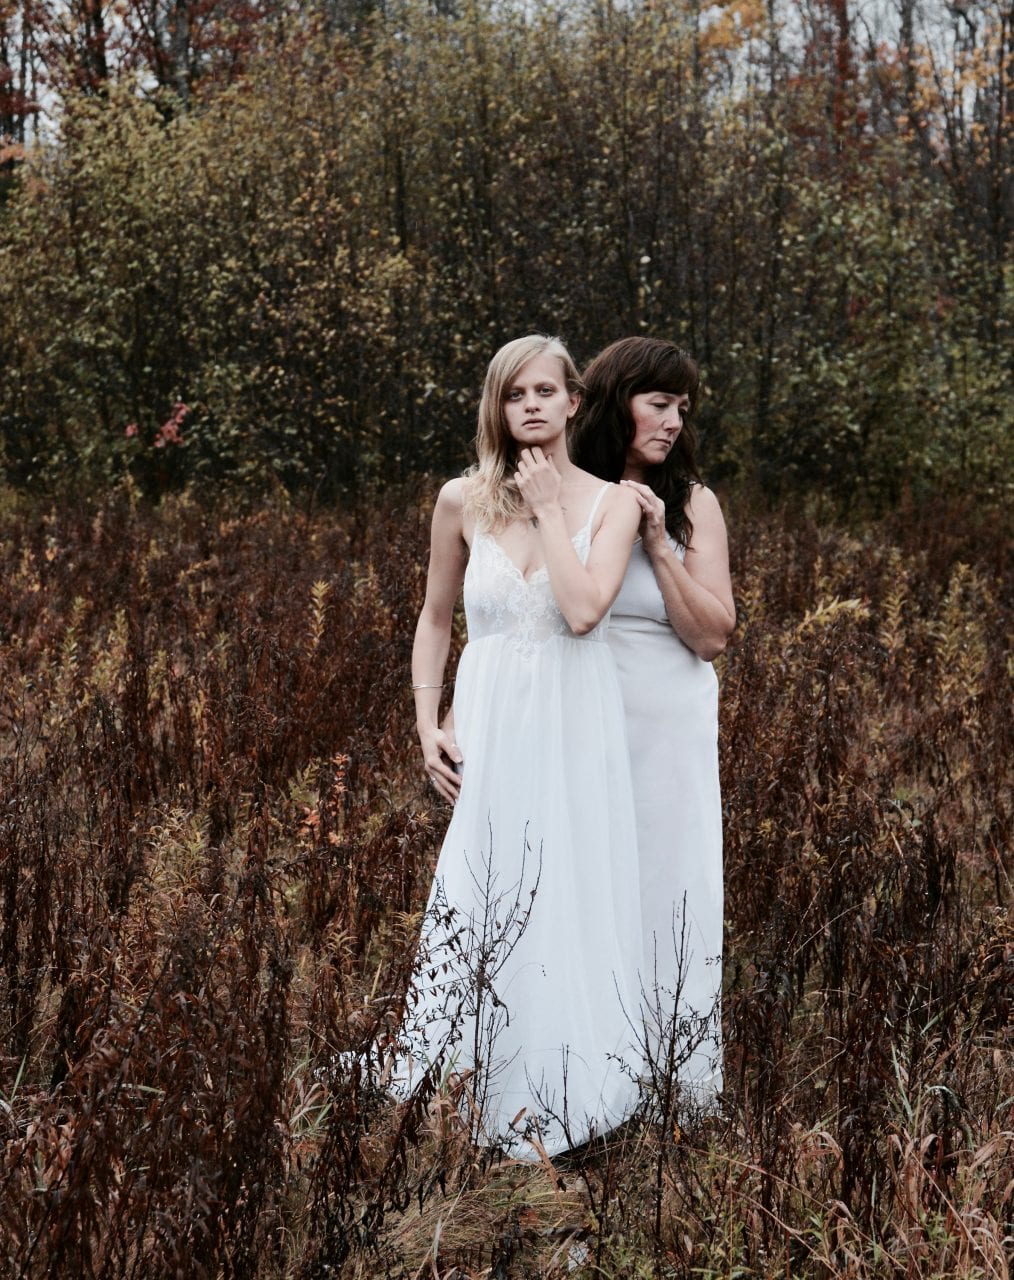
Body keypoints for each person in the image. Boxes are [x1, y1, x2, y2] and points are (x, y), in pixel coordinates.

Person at [405, 334, 644, 1156]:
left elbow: (583, 612)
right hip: (492, 722)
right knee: (486, 879)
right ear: (497, 407)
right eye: (515, 394)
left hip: (574, 723)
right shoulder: (461, 500)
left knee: (565, 878)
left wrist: (548, 507)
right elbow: (436, 617)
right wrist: (427, 724)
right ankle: (472, 1071)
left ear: (574, 402)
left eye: (545, 391)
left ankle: (569, 1076)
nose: (531, 405)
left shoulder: (614, 504)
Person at [571, 336, 735, 1103]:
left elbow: (711, 636)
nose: (673, 421)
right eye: (658, 403)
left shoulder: (693, 503)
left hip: (668, 724)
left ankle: (672, 1075)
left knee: (670, 886)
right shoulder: (569, 495)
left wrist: (658, 544)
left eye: (682, 409)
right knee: (585, 880)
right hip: (582, 714)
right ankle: (587, 1072)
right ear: (617, 402)